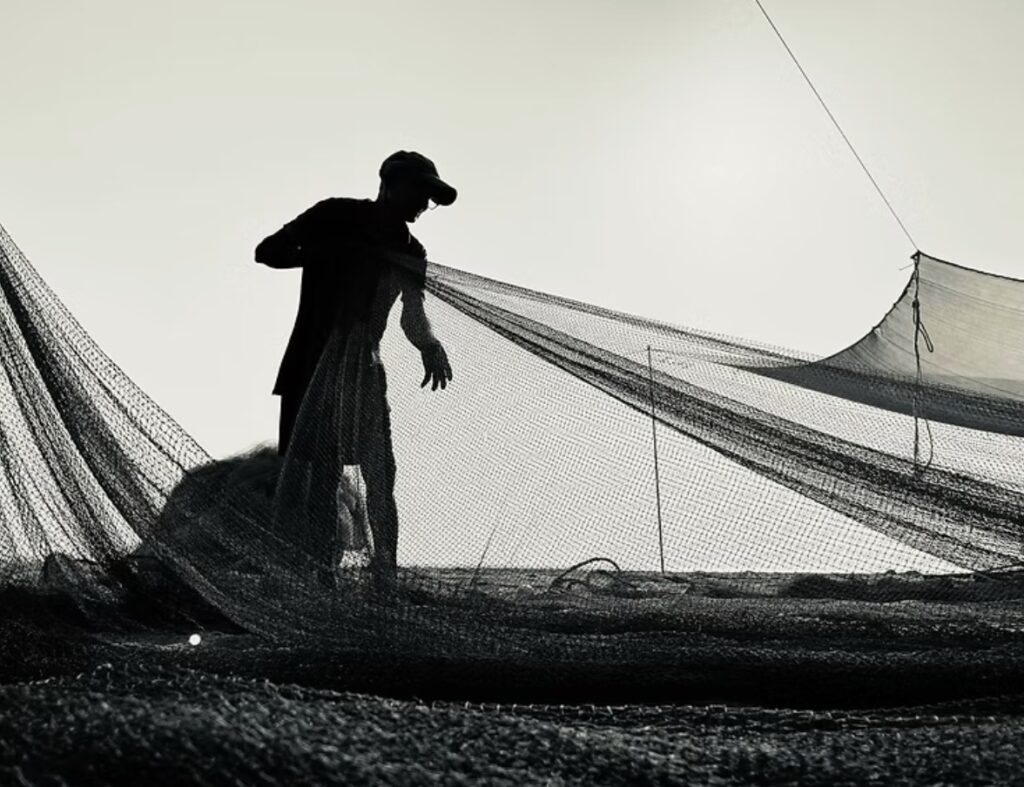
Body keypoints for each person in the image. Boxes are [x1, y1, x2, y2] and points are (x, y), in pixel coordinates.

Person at [254, 151, 455, 589]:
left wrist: (429, 344)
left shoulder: (409, 250)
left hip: (364, 370)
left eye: (430, 198)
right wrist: (328, 252)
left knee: (381, 473)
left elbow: (412, 313)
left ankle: (385, 578)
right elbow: (266, 252)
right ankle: (319, 576)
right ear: (390, 183)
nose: (424, 204)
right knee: (319, 477)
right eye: (420, 192)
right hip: (310, 368)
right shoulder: (335, 216)